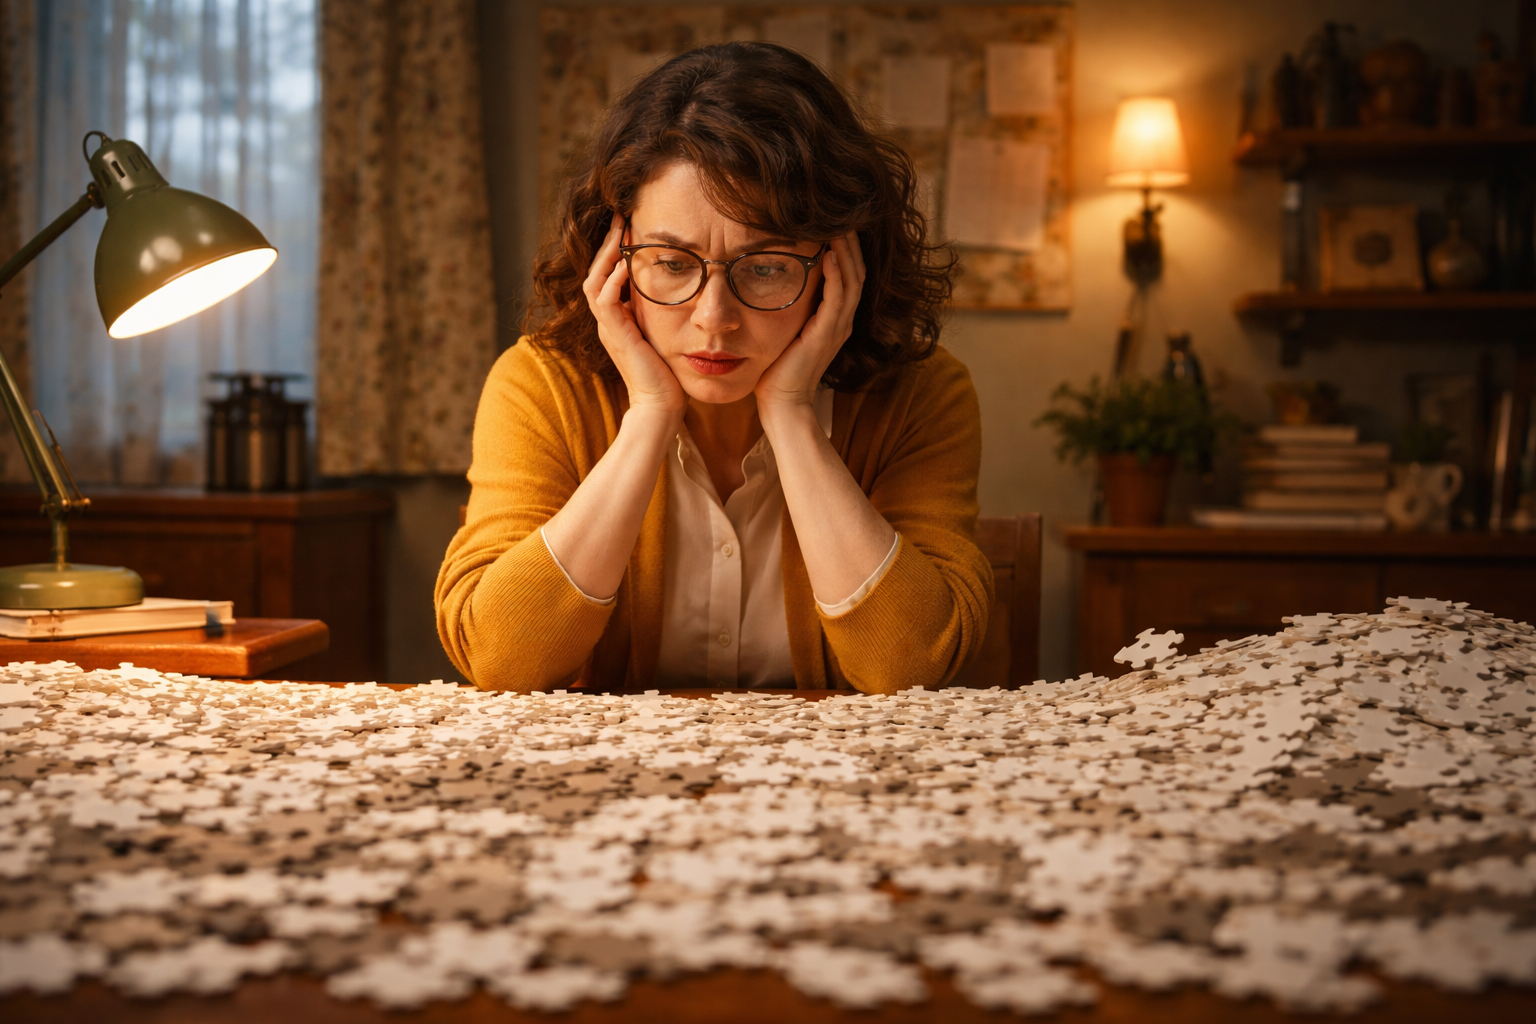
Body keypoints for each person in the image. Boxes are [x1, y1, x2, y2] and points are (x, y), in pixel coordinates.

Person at [435, 41, 991, 693]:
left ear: (839, 266)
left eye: (766, 268)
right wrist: (649, 417)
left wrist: (790, 416)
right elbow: (501, 659)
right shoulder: (542, 386)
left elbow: (912, 667)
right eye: (671, 264)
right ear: (615, 257)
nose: (714, 318)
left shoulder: (923, 396)